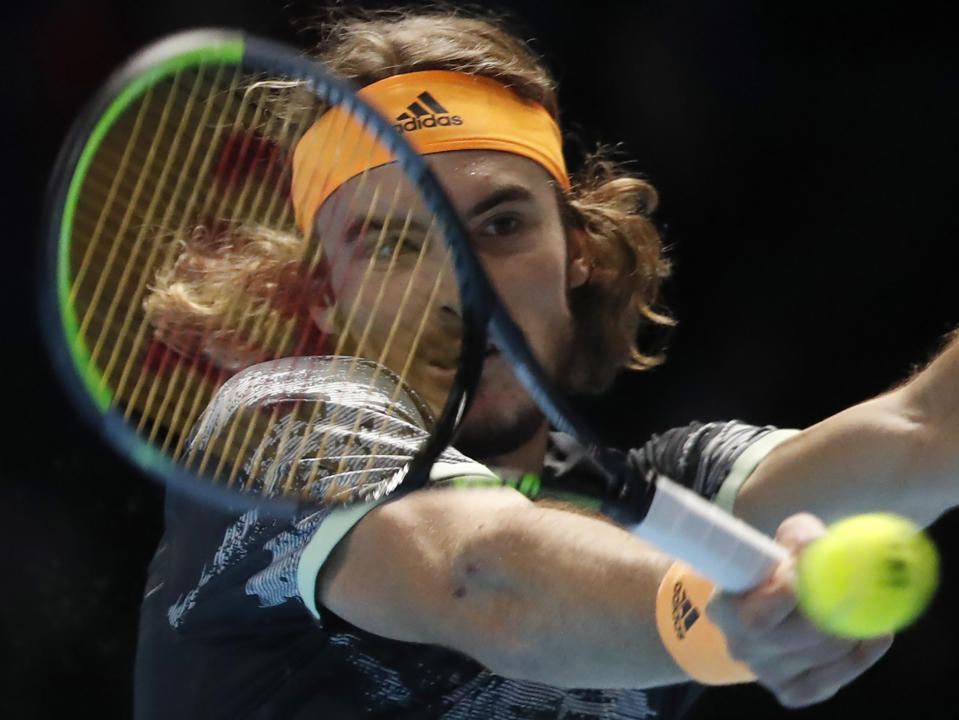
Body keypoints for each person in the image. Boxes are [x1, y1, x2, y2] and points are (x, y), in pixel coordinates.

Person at [134, 9, 957, 719]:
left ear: (580, 252)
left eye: (500, 228)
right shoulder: (276, 431)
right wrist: (703, 607)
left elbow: (923, 431)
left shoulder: (678, 488)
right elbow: (480, 576)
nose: (461, 290)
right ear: (323, 297)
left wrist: (715, 603)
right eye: (390, 246)